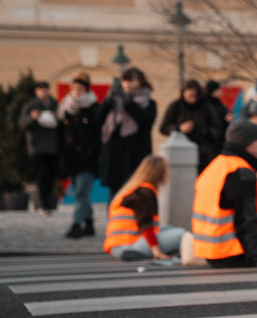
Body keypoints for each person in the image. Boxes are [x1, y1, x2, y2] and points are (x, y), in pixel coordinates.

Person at [191, 120, 257, 269]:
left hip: (212, 252)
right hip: (233, 254)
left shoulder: (215, 167)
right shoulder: (240, 171)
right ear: (244, 143)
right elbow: (245, 220)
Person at [103, 156, 186, 260]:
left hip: (116, 246)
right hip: (131, 245)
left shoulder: (130, 190)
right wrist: (157, 251)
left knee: (169, 228)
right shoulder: (145, 192)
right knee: (181, 235)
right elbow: (146, 223)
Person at [97, 67, 157, 202]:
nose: (128, 84)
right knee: (114, 194)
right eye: (125, 81)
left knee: (135, 193)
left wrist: (128, 103)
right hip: (114, 156)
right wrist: (108, 100)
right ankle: (114, 221)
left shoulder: (149, 103)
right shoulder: (113, 102)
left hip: (135, 156)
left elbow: (145, 121)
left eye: (131, 81)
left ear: (141, 82)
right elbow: (99, 118)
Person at [58, 73, 101, 238]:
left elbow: (98, 136)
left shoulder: (93, 108)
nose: (76, 92)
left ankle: (76, 224)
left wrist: (91, 152)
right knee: (78, 194)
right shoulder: (65, 107)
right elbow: (61, 133)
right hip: (71, 159)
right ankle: (89, 224)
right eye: (74, 88)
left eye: (80, 89)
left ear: (86, 90)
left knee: (82, 193)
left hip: (88, 159)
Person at [159, 79, 223, 172]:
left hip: (203, 153)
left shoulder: (206, 107)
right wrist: (179, 128)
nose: (193, 99)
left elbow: (217, 130)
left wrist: (203, 131)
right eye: (190, 95)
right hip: (180, 152)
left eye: (195, 96)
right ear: (184, 93)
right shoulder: (176, 106)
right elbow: (164, 128)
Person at [18, 81, 60, 216]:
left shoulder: (55, 105)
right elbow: (22, 126)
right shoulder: (30, 106)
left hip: (53, 147)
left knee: (51, 177)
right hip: (37, 148)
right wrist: (32, 118)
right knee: (42, 176)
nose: (43, 92)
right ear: (36, 91)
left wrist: (57, 119)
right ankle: (42, 204)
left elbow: (63, 125)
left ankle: (48, 204)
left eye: (45, 89)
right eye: (40, 90)